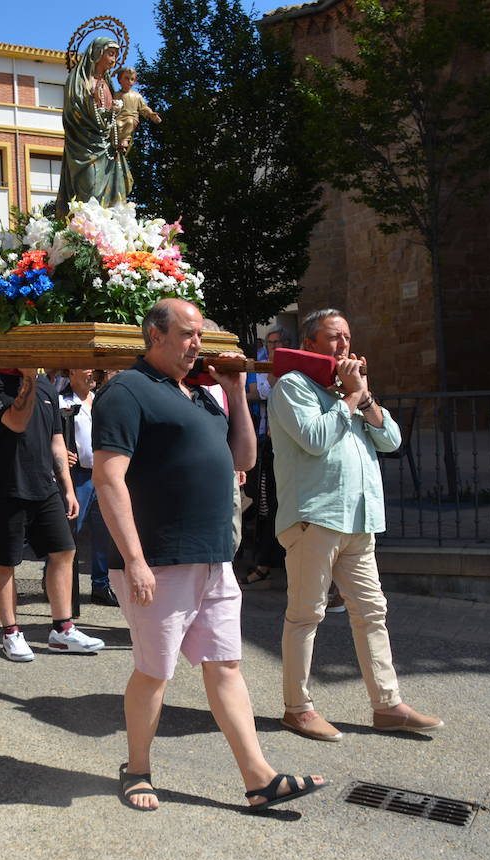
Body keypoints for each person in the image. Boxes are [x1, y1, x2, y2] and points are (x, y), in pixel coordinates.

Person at [92, 299, 323, 812]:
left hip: (213, 555)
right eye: (188, 334)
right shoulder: (125, 392)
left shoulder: (199, 395)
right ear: (155, 335)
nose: (198, 343)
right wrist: (133, 559)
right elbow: (108, 478)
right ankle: (137, 769)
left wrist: (237, 395)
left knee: (226, 664)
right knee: (155, 671)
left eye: (200, 335)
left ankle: (259, 777)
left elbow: (244, 458)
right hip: (159, 557)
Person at [269, 308, 443, 742]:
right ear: (309, 344)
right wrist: (350, 397)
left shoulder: (350, 391)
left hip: (359, 520)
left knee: (372, 613)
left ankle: (388, 706)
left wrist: (363, 398)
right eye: (332, 337)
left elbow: (392, 441)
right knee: (307, 613)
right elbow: (314, 439)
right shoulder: (293, 386)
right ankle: (298, 707)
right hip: (315, 519)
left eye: (346, 336)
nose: (343, 345)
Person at [0, 366, 104, 661]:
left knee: (64, 551)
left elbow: (56, 441)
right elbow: (16, 421)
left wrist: (68, 489)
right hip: (5, 486)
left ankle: (62, 631)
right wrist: (25, 380)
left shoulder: (46, 386)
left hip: (44, 485)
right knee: (6, 562)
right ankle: (11, 633)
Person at [56, 35, 129, 215]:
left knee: (114, 193)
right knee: (89, 189)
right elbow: (73, 109)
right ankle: (85, 231)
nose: (113, 60)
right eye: (110, 54)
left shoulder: (107, 84)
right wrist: (91, 103)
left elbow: (110, 115)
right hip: (84, 144)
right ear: (97, 53)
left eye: (115, 56)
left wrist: (115, 112)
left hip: (108, 147)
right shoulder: (78, 80)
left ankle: (108, 230)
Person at [59, 368, 114, 604]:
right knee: (70, 532)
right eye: (85, 367)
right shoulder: (62, 401)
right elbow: (52, 435)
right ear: (71, 372)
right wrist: (61, 453)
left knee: (105, 533)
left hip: (101, 474)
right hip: (78, 476)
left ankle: (101, 586)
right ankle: (56, 581)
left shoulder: (100, 399)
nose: (92, 373)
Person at [241, 327, 290, 587]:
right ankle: (263, 562)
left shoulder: (293, 366)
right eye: (269, 343)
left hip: (285, 446)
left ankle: (270, 562)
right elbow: (253, 391)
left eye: (277, 342)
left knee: (277, 505)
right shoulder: (262, 364)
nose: (272, 347)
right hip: (265, 442)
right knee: (263, 504)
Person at [112, 66, 161, 155]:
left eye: (132, 79)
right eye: (126, 78)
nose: (129, 81)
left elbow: (144, 108)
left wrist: (151, 114)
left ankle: (124, 141)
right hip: (119, 117)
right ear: (120, 80)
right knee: (117, 124)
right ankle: (116, 144)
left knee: (130, 122)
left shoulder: (137, 96)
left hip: (131, 117)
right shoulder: (115, 94)